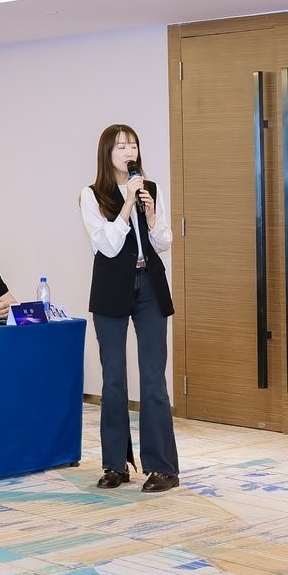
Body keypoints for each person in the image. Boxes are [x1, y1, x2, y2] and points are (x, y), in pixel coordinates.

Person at [81, 123, 180, 494]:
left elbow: (164, 241)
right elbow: (106, 247)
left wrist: (151, 217)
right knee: (114, 379)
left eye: (133, 145)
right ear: (107, 153)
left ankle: (163, 468)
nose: (129, 152)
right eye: (121, 146)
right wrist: (125, 206)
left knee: (154, 378)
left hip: (149, 284)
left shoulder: (150, 189)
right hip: (111, 287)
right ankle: (115, 465)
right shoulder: (91, 195)